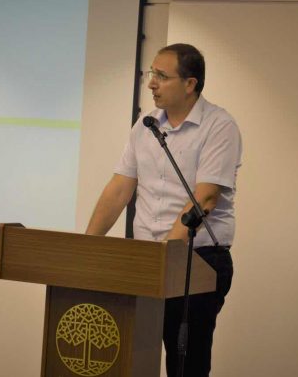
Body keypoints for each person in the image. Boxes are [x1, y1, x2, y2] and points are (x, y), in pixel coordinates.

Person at [85, 43, 242, 376]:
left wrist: (164, 258)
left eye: (162, 76)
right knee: (127, 356)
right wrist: (87, 245)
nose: (152, 83)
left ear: (190, 84)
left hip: (194, 262)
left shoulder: (218, 126)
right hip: (146, 261)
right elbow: (119, 189)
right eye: (151, 73)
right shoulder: (146, 126)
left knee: (184, 366)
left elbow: (205, 199)